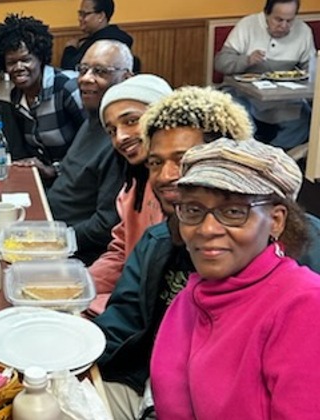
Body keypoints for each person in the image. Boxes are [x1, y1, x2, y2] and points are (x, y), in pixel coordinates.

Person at [93, 86, 320, 420]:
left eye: (232, 211)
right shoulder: (178, 270)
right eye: (156, 162)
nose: (167, 176)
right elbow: (122, 326)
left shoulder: (302, 287)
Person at [151, 138, 320, 417]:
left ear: (276, 220)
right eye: (193, 210)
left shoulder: (304, 306)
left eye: (233, 212)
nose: (206, 229)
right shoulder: (191, 298)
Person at [87, 74, 172, 315]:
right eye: (112, 131)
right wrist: (79, 284)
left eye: (132, 120)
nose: (121, 137)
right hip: (133, 298)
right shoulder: (133, 189)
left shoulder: (186, 190)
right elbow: (122, 252)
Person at [47, 40, 132, 265]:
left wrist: (55, 240)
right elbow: (76, 173)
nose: (86, 78)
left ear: (126, 78)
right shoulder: (94, 118)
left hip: (72, 252)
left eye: (100, 71)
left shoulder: (120, 141)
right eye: (83, 69)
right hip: (49, 224)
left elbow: (105, 225)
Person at [0, 14, 85, 183]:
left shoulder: (67, 87)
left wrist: (53, 170)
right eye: (11, 62)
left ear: (40, 59)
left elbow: (91, 145)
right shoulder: (16, 97)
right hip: (42, 180)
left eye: (26, 60)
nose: (19, 67)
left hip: (77, 179)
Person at [215, 0, 315, 149]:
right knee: (240, 118)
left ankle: (277, 156)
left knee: (304, 119)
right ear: (266, 14)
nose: (283, 26)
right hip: (243, 94)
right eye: (278, 19)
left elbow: (310, 69)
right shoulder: (247, 25)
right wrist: (247, 60)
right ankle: (250, 156)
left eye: (289, 21)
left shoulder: (303, 31)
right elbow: (221, 62)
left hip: (282, 99)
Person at [61, 0, 135, 72]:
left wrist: (70, 49)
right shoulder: (93, 37)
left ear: (101, 16)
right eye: (80, 13)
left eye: (85, 14)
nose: (80, 18)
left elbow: (70, 70)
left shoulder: (103, 41)